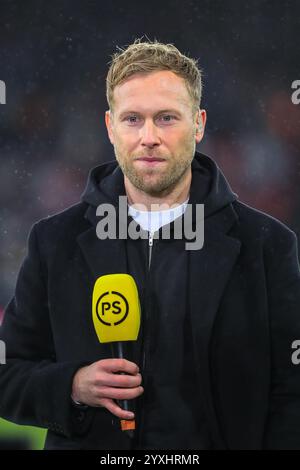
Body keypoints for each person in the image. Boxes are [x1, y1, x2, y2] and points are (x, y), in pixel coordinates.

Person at [0, 39, 300, 451]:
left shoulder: (266, 246)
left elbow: (291, 391)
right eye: (133, 119)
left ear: (199, 124)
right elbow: (8, 373)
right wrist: (70, 385)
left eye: (166, 118)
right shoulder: (54, 242)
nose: (149, 137)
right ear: (110, 127)